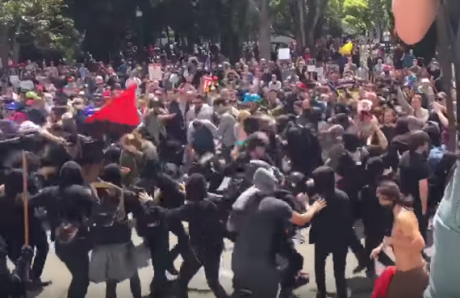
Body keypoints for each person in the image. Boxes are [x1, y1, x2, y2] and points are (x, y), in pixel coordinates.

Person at [229, 167, 326, 298]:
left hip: (239, 260)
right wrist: (312, 206)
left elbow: (230, 227)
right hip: (262, 266)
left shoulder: (247, 202)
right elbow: (302, 220)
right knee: (293, 263)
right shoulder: (276, 204)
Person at [371, 181, 428, 298]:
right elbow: (396, 238)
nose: (377, 199)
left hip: (413, 275)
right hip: (403, 273)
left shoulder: (403, 217)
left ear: (387, 198)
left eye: (379, 196)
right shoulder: (397, 214)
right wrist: (381, 247)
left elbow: (419, 243)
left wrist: (392, 241)